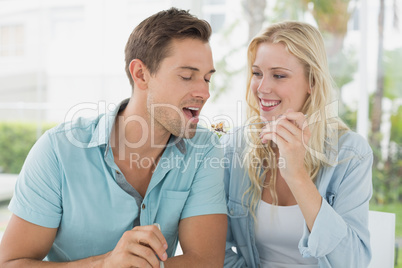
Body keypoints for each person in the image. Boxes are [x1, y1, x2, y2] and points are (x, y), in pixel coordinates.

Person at [0, 7, 227, 267]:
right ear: (141, 74)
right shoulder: (58, 151)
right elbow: (11, 263)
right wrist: (106, 263)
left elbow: (205, 260)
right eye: (187, 76)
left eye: (207, 79)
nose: (204, 92)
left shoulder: (204, 149)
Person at [222, 21, 373, 267]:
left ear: (311, 82)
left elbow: (352, 261)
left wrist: (297, 175)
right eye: (257, 73)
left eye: (279, 75)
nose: (262, 88)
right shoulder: (234, 146)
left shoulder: (350, 154)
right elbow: (217, 250)